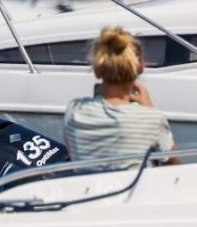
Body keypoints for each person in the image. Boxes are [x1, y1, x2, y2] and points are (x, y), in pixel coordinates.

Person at [63, 26, 177, 164]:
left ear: (97, 71)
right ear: (140, 67)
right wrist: (149, 109)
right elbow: (173, 164)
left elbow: (72, 153)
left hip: (88, 185)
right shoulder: (152, 118)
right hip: (133, 186)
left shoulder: (74, 110)